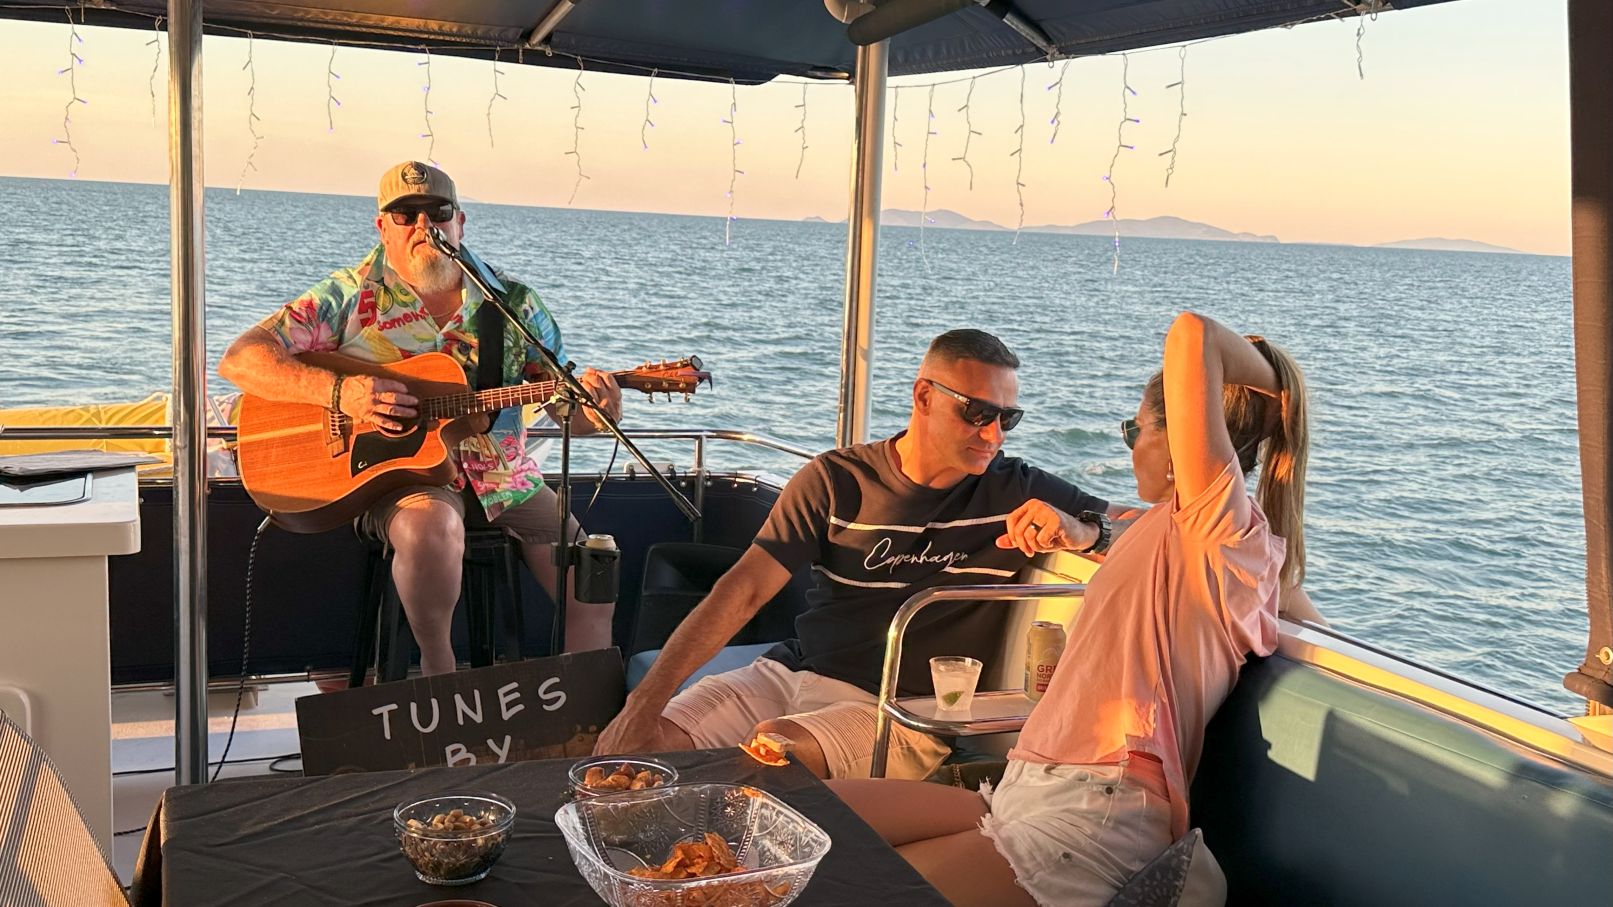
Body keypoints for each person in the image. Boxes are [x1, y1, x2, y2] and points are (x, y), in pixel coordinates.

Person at [827, 312, 1310, 907]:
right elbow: (1145, 547)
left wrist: (1281, 385)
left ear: (1176, 443)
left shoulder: (1221, 529)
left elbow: (1193, 334)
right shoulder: (1183, 535)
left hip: (1091, 813)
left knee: (845, 890)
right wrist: (1081, 532)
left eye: (1135, 430)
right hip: (1027, 789)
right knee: (813, 816)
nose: (1131, 447)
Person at [595, 329, 1127, 781]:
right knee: (636, 751)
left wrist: (1086, 531)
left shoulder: (1016, 488)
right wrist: (641, 706)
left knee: (773, 750)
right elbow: (743, 590)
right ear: (924, 396)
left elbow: (1149, 524)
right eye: (977, 413)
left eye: (1007, 419)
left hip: (898, 712)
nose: (992, 434)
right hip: (789, 673)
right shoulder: (835, 481)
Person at [219, 160, 623, 677]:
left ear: (461, 222)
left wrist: (598, 411)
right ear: (382, 227)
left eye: (438, 212)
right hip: (399, 479)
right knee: (432, 526)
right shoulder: (348, 297)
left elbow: (567, 412)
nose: (423, 225)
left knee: (592, 570)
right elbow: (241, 359)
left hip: (504, 476)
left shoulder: (512, 304)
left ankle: (589, 704)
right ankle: (439, 674)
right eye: (405, 214)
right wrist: (342, 393)